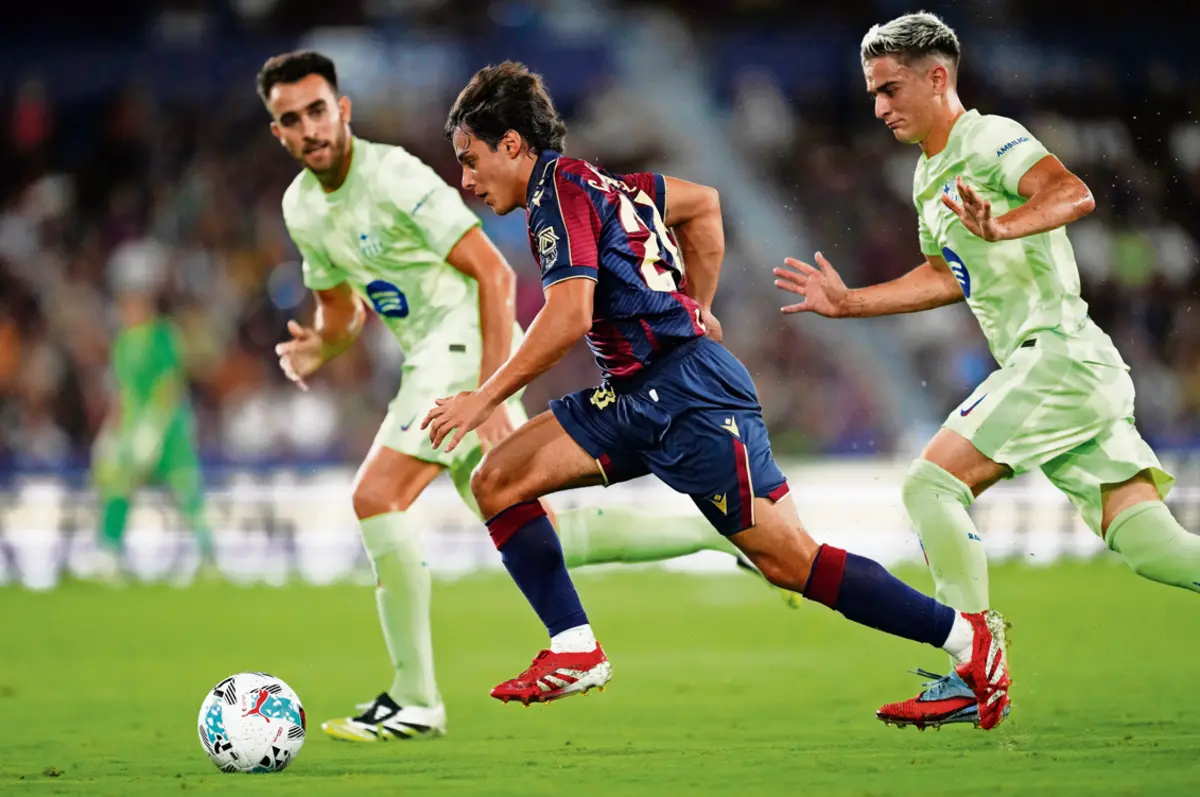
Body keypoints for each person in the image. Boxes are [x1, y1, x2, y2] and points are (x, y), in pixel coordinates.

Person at [425, 60, 1011, 730]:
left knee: (789, 560)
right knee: (497, 479)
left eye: (470, 160)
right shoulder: (606, 185)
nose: (466, 180)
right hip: (640, 393)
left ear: (511, 144)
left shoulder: (557, 196)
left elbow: (568, 315)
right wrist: (697, 306)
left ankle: (968, 641)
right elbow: (701, 203)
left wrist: (484, 398)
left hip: (687, 396)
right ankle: (574, 647)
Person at [259, 50, 768, 743]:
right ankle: (718, 530)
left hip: (465, 349)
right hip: (437, 359)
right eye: (291, 119)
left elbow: (494, 276)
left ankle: (414, 698)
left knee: (376, 497)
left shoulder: (394, 175)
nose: (309, 127)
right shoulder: (301, 208)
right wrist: (321, 345)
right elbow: (342, 311)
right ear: (278, 132)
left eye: (318, 110)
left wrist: (489, 390)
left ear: (341, 110)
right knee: (540, 527)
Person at [774, 11, 1191, 730]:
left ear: (937, 78)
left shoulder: (989, 137)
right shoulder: (928, 175)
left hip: (1058, 357)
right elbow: (945, 273)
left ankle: (971, 671)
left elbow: (1071, 192)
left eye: (890, 89)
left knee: (930, 483)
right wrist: (850, 303)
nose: (878, 108)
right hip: (1068, 371)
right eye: (873, 94)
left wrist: (1006, 223)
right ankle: (971, 670)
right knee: (1153, 546)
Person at [87, 239, 214, 583]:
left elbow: (169, 384)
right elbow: (122, 393)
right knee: (116, 485)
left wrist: (153, 426)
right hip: (132, 430)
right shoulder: (123, 343)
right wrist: (111, 433)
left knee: (187, 490)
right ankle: (108, 553)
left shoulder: (164, 336)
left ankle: (207, 557)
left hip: (169, 430)